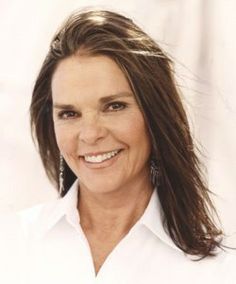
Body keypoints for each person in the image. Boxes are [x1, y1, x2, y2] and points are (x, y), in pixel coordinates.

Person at [4, 8, 234, 284]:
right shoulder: (11, 245)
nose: (90, 134)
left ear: (155, 115)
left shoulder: (217, 270)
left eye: (114, 106)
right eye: (69, 113)